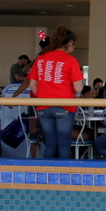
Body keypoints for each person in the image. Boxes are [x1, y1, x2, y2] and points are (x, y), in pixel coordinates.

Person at [28, 26, 84, 158]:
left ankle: (48, 175)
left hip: (43, 106)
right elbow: (78, 88)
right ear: (70, 43)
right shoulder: (70, 60)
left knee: (50, 143)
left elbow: (32, 84)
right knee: (63, 144)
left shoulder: (40, 59)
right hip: (64, 106)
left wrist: (43, 95)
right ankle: (64, 176)